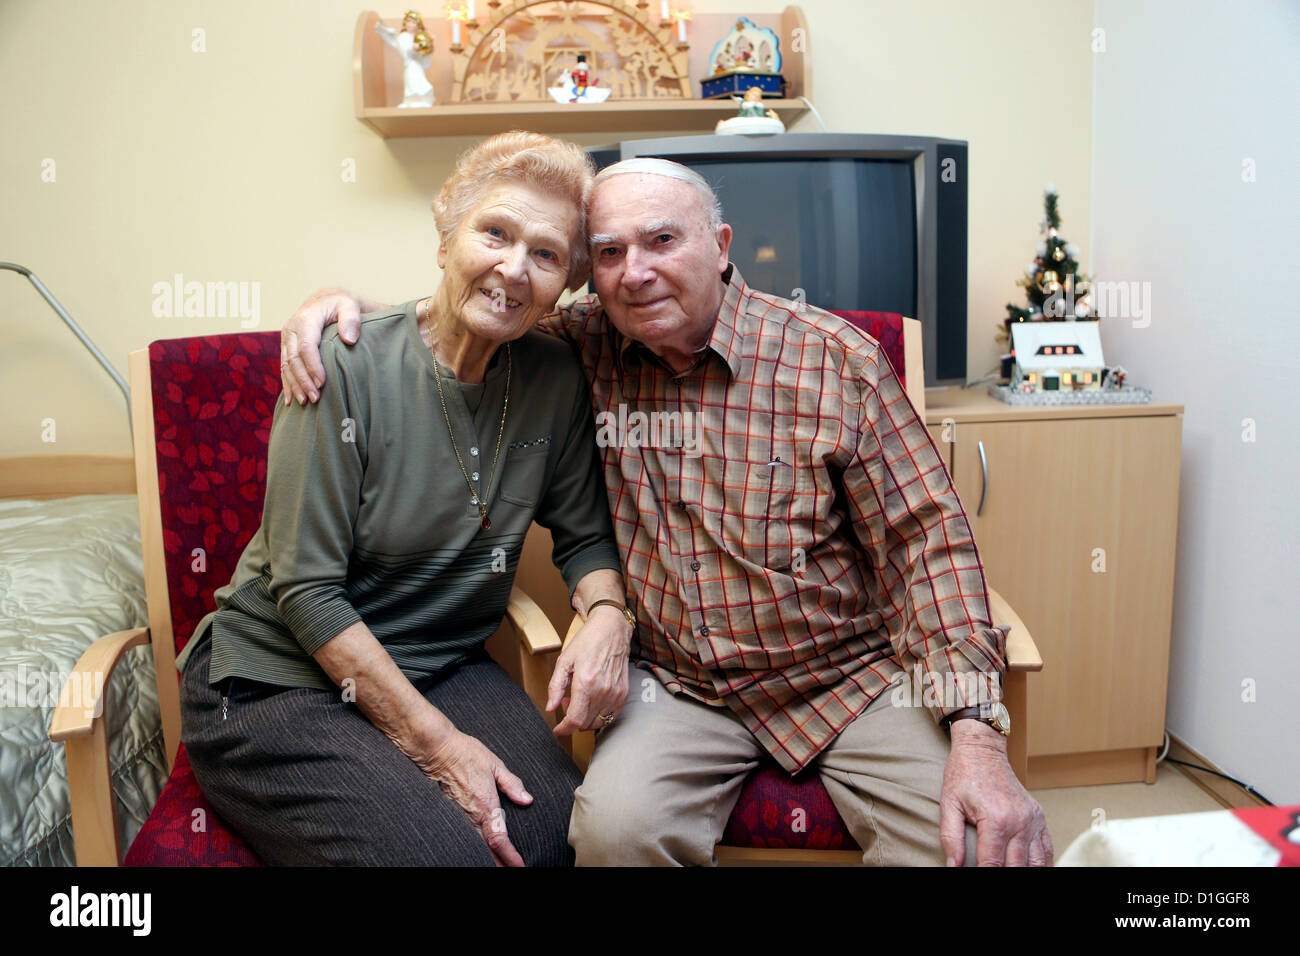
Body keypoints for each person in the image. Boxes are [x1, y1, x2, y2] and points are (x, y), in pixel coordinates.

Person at [280, 157, 1055, 867]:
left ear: (720, 245)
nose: (635, 273)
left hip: (850, 677)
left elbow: (928, 543)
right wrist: (349, 314)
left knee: (974, 844)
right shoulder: (583, 344)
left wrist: (976, 736)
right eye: (609, 253)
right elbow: (477, 309)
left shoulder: (835, 362)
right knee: (612, 835)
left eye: (661, 241)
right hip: (679, 688)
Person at [177, 131, 633, 866]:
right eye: (494, 232)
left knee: (555, 841)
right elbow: (306, 590)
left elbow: (584, 538)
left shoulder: (553, 376)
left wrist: (607, 610)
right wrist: (439, 748)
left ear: (568, 281)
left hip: (442, 660)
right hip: (277, 679)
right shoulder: (343, 363)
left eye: (546, 255)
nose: (514, 269)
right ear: (448, 231)